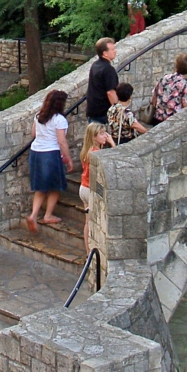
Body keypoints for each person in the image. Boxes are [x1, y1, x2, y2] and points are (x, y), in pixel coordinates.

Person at [25, 89, 72, 234]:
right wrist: (69, 159)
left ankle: (33, 215)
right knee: (55, 187)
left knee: (40, 188)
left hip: (35, 153)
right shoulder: (59, 119)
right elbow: (61, 141)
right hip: (50, 154)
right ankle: (48, 215)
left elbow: (34, 134)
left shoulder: (39, 116)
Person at [78, 123, 114, 252]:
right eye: (102, 134)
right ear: (94, 137)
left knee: (88, 222)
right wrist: (112, 143)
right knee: (96, 222)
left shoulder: (86, 151)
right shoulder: (97, 153)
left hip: (83, 187)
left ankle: (88, 252)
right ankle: (95, 252)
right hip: (90, 189)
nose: (106, 136)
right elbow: (113, 161)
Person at [150, 53, 187, 124]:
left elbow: (154, 97)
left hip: (158, 117)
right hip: (173, 121)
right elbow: (186, 105)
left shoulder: (164, 78)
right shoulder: (186, 84)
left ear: (176, 65)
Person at [86, 37, 118, 124]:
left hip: (92, 110)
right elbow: (110, 92)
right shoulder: (108, 69)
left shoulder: (95, 65)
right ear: (105, 53)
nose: (115, 51)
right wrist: (118, 111)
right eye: (112, 49)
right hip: (103, 113)